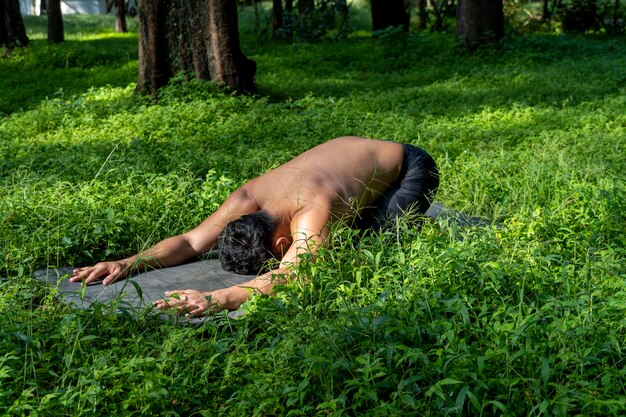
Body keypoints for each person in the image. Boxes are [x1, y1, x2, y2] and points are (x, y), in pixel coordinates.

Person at [69, 137, 438, 316]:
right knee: (335, 242)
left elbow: (297, 273)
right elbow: (190, 241)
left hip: (408, 167)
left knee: (361, 249)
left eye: (277, 257)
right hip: (349, 161)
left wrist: (218, 297)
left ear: (281, 245)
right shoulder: (247, 198)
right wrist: (130, 261)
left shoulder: (314, 208)